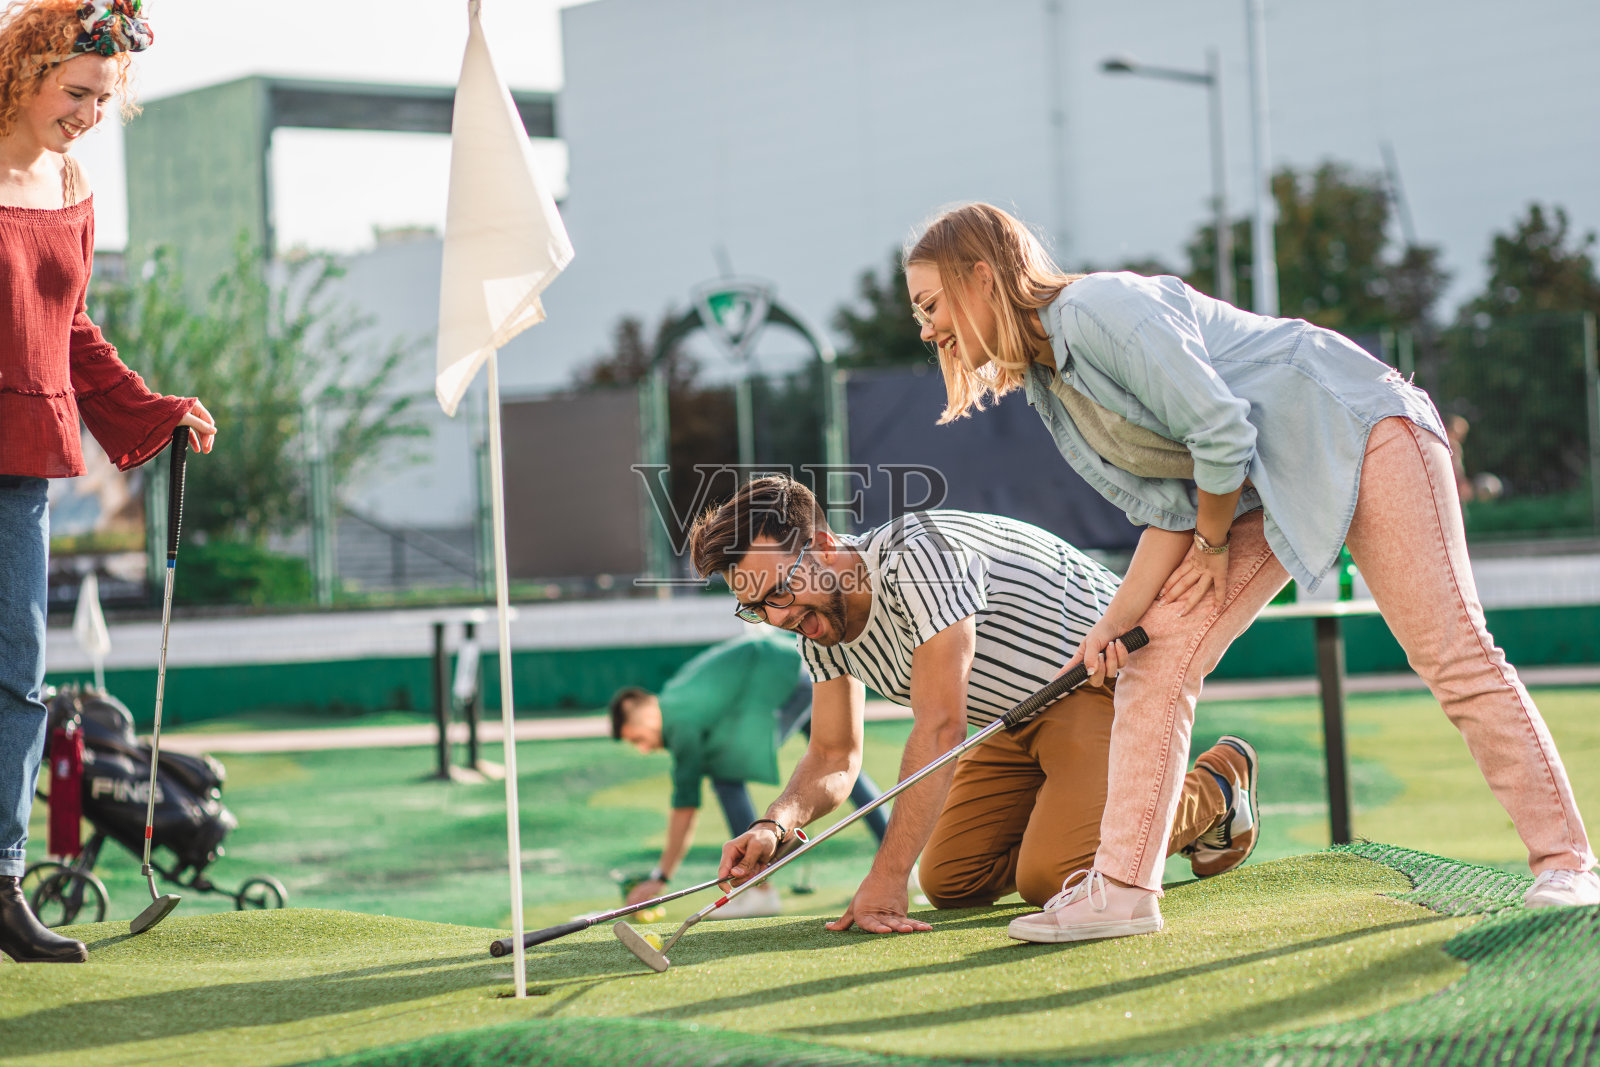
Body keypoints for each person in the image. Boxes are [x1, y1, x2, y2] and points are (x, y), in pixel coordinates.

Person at [901, 202, 1597, 943]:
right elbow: (1169, 507)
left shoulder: (1100, 308)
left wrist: (1210, 545)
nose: (927, 328)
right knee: (1153, 660)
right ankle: (1124, 890)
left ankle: (1569, 863)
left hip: (1361, 428)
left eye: (931, 304)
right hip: (1253, 484)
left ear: (981, 276)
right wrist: (1113, 623)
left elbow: (1221, 427)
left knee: (1453, 652)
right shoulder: (1048, 383)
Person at [695, 476, 1261, 936]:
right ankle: (1091, 814)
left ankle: (1215, 788)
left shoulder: (918, 556)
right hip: (1010, 717)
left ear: (821, 547)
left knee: (1056, 879)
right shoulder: (818, 623)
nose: (776, 616)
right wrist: (775, 822)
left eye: (780, 591)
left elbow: (942, 726)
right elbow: (833, 755)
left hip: (1095, 681)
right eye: (755, 607)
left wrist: (888, 877)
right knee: (951, 881)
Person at [1, 0, 215, 964]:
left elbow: (72, 330)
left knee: (17, 679)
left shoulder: (72, 181)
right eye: (77, 91)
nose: (89, 112)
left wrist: (152, 406)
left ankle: (1, 883)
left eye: (103, 97)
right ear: (27, 70)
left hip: (21, 463)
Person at [611, 630, 890, 917]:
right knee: (839, 766)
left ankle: (758, 889)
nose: (644, 749)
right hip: (790, 674)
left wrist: (660, 878)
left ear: (642, 713)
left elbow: (685, 808)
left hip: (790, 681)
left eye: (637, 739)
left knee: (729, 776)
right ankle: (895, 856)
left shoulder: (679, 724)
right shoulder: (676, 699)